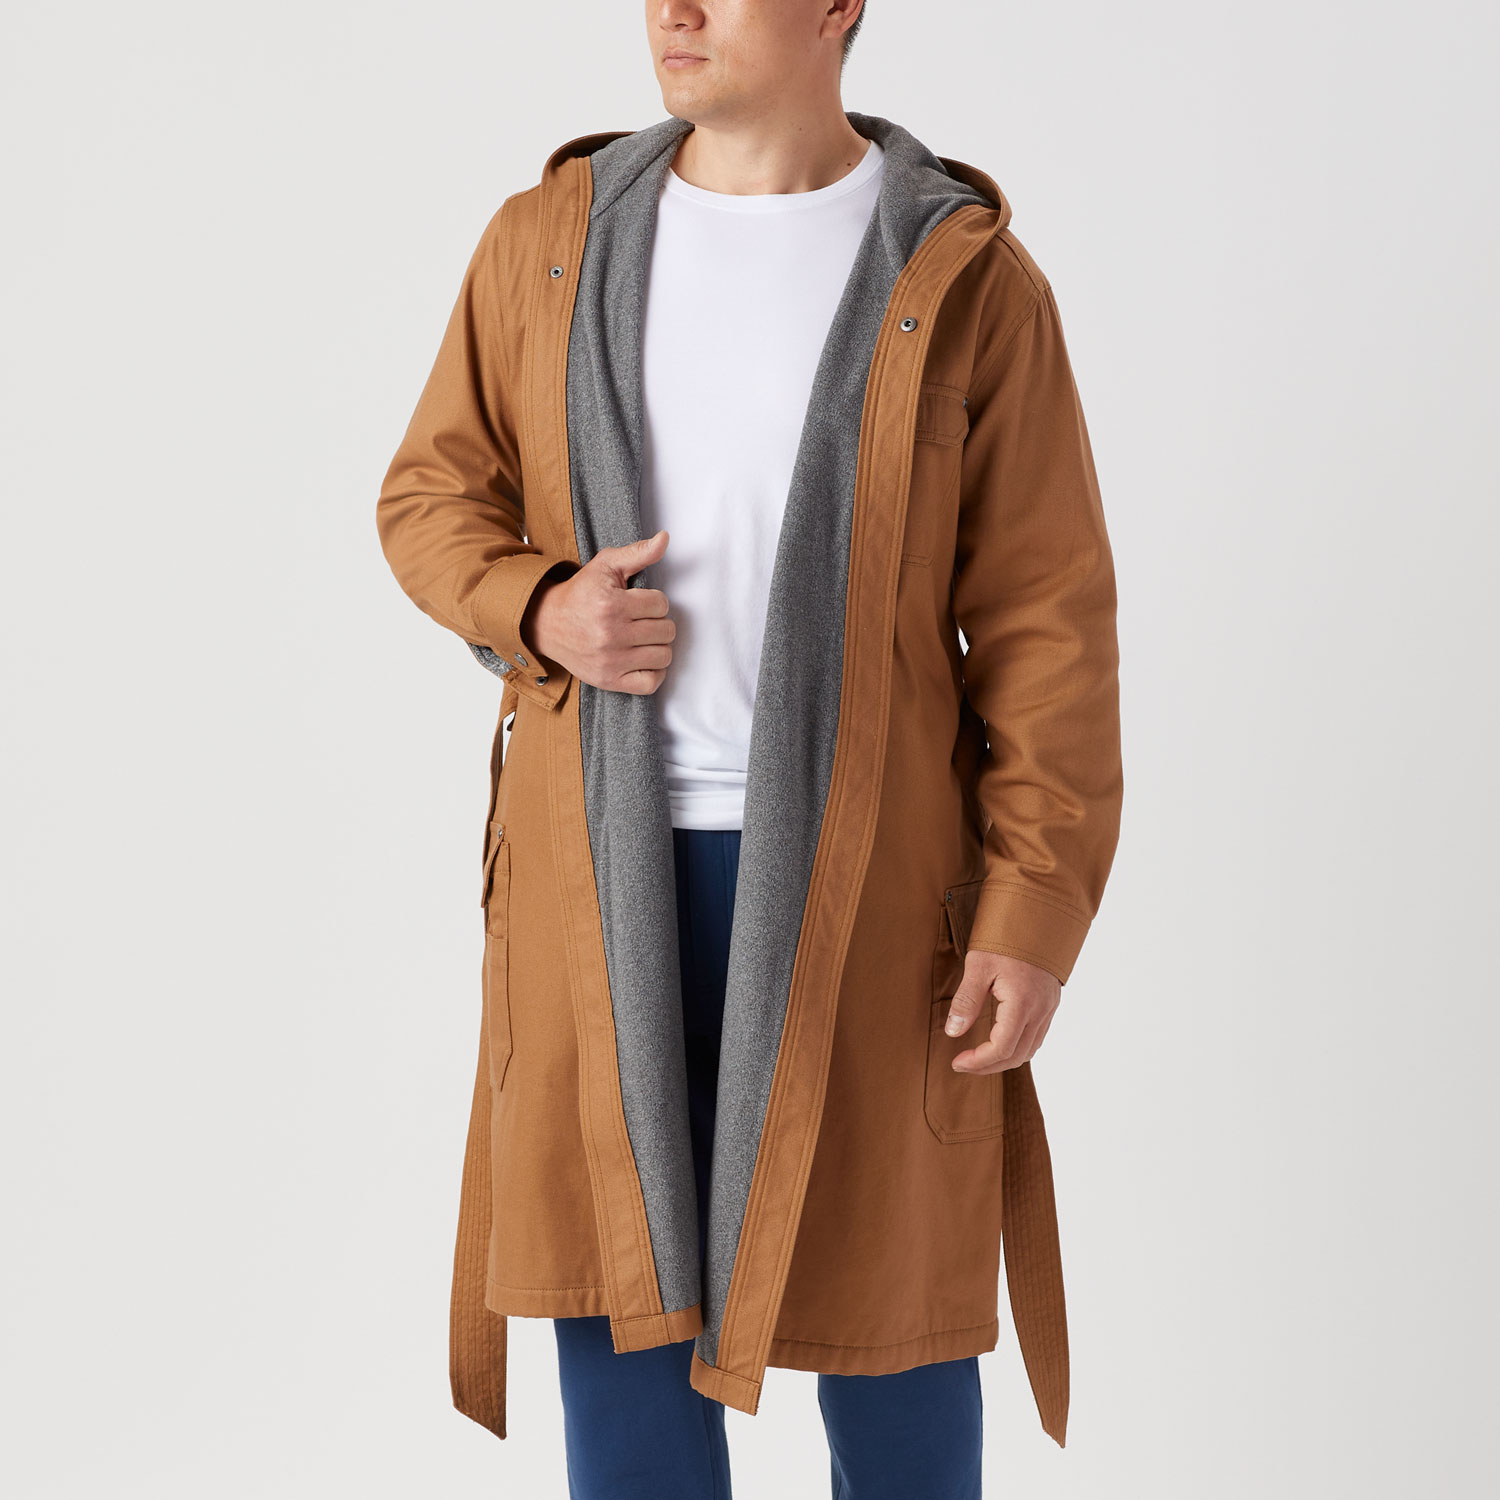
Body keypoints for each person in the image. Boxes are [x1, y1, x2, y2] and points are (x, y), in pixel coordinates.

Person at [375, 1, 1122, 1493]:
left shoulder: (963, 275)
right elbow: (430, 499)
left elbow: (1047, 626)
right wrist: (541, 606)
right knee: (624, 1344)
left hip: (878, 899)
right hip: (601, 887)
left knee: (898, 1346)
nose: (675, 11)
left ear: (838, 5)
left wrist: (1033, 907)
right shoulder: (548, 242)